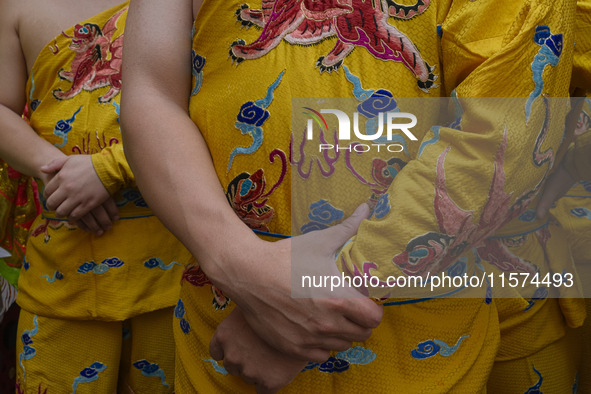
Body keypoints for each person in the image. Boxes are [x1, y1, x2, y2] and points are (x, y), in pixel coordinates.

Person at [122, 0, 588, 392]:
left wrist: (313, 300)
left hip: (414, 324)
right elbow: (150, 93)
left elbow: (500, 136)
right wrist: (236, 263)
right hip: (226, 313)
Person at [0, 0, 194, 391]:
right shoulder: (17, 6)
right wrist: (55, 171)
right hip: (64, 262)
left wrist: (110, 169)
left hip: (179, 262)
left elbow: (216, 101)